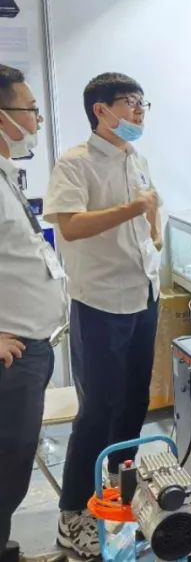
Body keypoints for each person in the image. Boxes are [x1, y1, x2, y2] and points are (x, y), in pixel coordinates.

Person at [45, 73, 163, 559]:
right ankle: (72, 514)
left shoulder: (136, 158)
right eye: (130, 103)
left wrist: (154, 230)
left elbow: (152, 203)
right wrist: (133, 209)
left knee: (135, 401)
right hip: (101, 303)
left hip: (143, 294)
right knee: (99, 410)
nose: (138, 112)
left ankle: (119, 490)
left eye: (142, 103)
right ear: (101, 110)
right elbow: (70, 226)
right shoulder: (75, 163)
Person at [0, 66, 66, 562]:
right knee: (6, 470)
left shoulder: (6, 174)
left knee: (14, 466)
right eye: (30, 110)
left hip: (30, 346)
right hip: (12, 354)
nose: (37, 121)